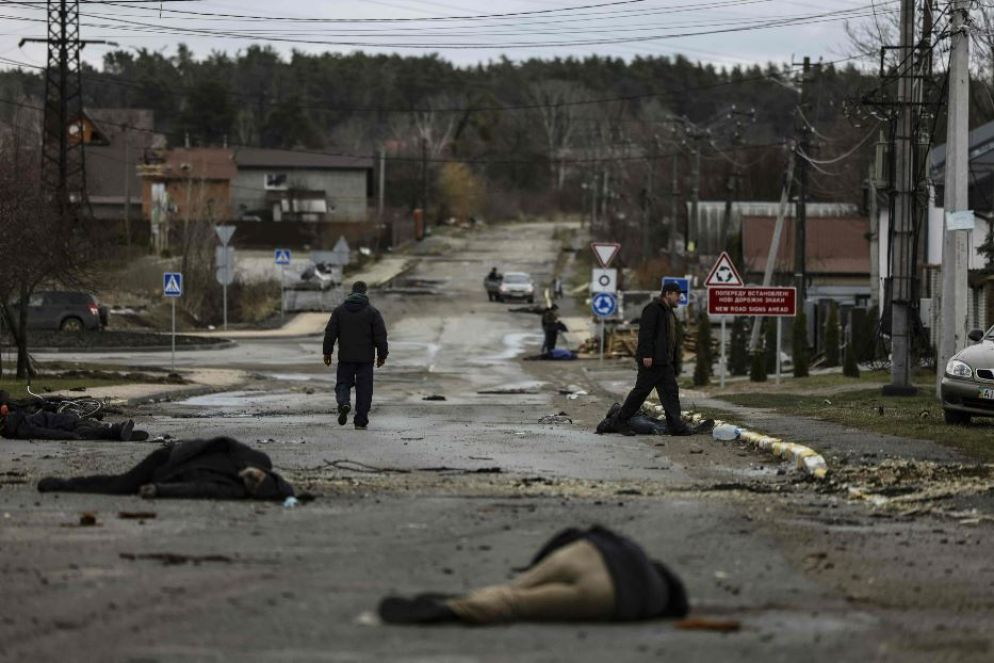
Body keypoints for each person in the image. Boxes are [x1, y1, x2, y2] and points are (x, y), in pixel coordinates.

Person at [378, 525, 689, 624]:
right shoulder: (656, 599)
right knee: (517, 604)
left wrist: (535, 567)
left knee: (516, 587)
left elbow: (572, 534)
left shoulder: (636, 552)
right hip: (609, 593)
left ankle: (488, 594)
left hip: (586, 551)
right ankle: (459, 609)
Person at [37, 436, 295, 500]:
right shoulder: (257, 458)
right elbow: (222, 441)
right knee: (121, 485)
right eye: (256, 479)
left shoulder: (235, 490)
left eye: (253, 487)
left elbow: (197, 489)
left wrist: (159, 490)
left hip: (167, 473)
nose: (249, 481)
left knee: (121, 485)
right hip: (170, 458)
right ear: (263, 473)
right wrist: (181, 450)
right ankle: (62, 485)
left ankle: (63, 485)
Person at [614, 282, 693, 436]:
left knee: (671, 392)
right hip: (652, 362)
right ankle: (620, 421)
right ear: (668, 294)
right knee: (640, 393)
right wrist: (647, 355)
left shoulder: (668, 312)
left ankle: (676, 426)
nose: (679, 298)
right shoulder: (653, 309)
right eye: (677, 295)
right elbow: (646, 333)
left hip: (664, 362)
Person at [323, 281, 388, 430]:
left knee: (343, 383)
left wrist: (327, 352)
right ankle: (360, 420)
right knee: (364, 389)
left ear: (351, 292)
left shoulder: (339, 311)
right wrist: (382, 355)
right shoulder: (372, 312)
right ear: (365, 292)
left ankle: (344, 403)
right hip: (366, 360)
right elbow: (380, 336)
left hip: (345, 358)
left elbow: (330, 334)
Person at [0, 402, 146, 441]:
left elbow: (45, 432)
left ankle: (117, 431)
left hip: (68, 425)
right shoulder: (22, 419)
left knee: (89, 432)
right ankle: (117, 431)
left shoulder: (21, 427)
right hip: (69, 421)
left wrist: (68, 435)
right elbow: (45, 431)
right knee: (93, 428)